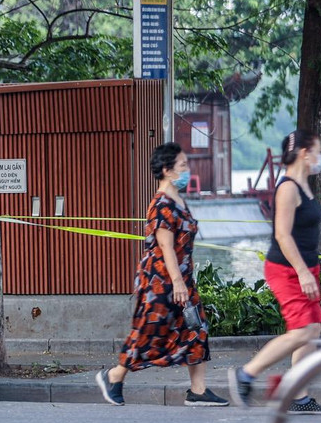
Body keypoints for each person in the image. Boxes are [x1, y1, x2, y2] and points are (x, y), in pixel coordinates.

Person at [96, 143, 228, 407]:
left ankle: (198, 391)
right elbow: (165, 246)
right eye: (182, 165)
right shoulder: (161, 204)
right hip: (161, 280)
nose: (187, 169)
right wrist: (177, 283)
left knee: (196, 328)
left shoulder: (178, 199)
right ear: (167, 170)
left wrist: (184, 280)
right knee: (149, 331)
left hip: (181, 277)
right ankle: (114, 375)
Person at [229, 130, 321, 412]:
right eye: (318, 151)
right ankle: (245, 374)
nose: (320, 158)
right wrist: (302, 271)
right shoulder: (288, 188)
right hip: (287, 269)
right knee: (303, 331)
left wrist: (309, 269)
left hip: (305, 267)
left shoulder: (305, 184)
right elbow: (283, 236)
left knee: (312, 330)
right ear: (303, 153)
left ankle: (298, 395)